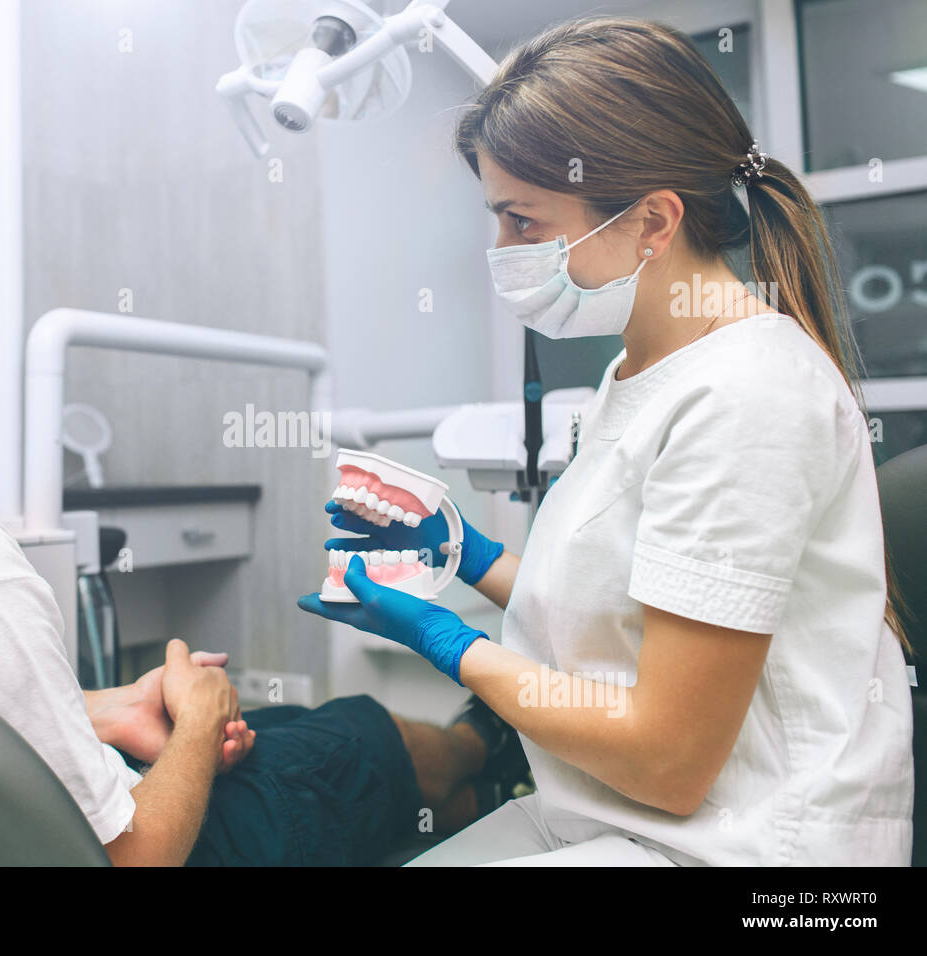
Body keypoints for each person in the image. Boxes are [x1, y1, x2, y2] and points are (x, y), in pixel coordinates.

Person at [0, 135, 506, 867]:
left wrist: (95, 710)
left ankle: (486, 778)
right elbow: (132, 858)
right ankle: (490, 747)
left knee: (293, 734)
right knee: (351, 735)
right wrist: (197, 718)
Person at [300, 15, 914, 866]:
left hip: (753, 850)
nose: (502, 252)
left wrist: (454, 646)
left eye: (522, 220)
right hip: (608, 813)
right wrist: (465, 557)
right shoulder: (642, 367)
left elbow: (668, 759)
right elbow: (622, 614)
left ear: (654, 221)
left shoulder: (747, 394)